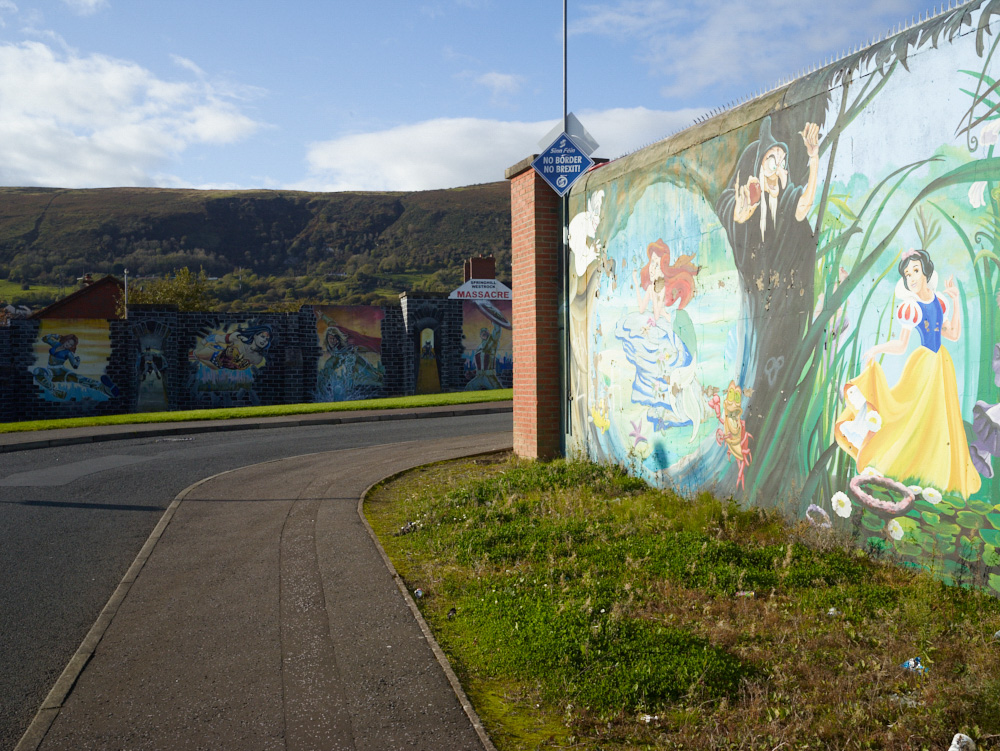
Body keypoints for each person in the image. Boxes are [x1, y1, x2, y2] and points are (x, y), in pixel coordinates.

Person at [834, 249, 981, 497]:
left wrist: (955, 300)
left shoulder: (939, 301)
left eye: (915, 270)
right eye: (907, 274)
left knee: (939, 423)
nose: (911, 277)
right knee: (909, 416)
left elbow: (953, 334)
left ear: (925, 271)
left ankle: (932, 480)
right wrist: (877, 348)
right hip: (922, 366)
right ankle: (894, 466)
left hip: (941, 366)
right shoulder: (911, 308)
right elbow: (901, 345)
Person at [190, 324, 272, 371]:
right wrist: (207, 340)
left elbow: (242, 368)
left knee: (198, 357)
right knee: (195, 355)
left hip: (218, 366)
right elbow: (219, 338)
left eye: (267, 339)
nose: (265, 340)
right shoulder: (239, 339)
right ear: (255, 335)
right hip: (215, 353)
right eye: (262, 336)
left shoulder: (258, 358)